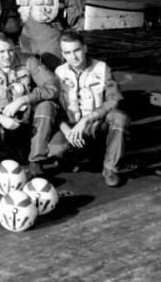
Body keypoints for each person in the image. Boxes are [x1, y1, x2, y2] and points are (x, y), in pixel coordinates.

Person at [49, 30, 130, 187]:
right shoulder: (59, 73)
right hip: (73, 128)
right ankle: (83, 156)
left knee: (120, 117)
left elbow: (114, 99)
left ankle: (110, 168)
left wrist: (88, 118)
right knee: (56, 149)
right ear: (63, 54)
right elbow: (55, 107)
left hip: (97, 124)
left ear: (85, 48)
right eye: (68, 52)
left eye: (77, 50)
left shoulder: (102, 68)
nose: (74, 56)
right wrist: (66, 130)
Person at [0, 33, 59, 178]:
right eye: (1, 52)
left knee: (47, 105)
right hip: (0, 119)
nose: (7, 56)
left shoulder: (29, 61)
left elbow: (53, 86)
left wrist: (23, 99)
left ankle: (36, 160)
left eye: (11, 50)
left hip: (27, 117)